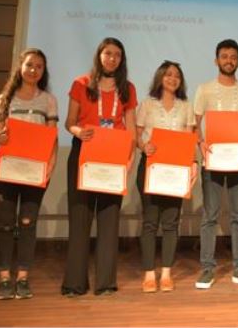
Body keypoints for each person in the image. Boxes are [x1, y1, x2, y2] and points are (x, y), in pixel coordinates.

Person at [61, 37, 137, 296]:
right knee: (80, 219)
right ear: (99, 55)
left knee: (109, 221)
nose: (112, 58)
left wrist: (129, 159)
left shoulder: (127, 88)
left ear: (121, 59)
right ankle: (74, 283)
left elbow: (131, 128)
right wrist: (78, 131)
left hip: (114, 156)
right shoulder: (81, 83)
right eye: (108, 53)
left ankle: (105, 283)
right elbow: (69, 121)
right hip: (84, 152)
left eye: (117, 54)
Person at [0, 48, 58, 300]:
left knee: (28, 223)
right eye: (29, 65)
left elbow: (52, 137)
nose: (33, 70)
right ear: (20, 67)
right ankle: (5, 278)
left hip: (35, 171)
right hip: (7, 168)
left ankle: (23, 278)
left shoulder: (48, 100)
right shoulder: (5, 98)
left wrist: (50, 166)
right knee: (5, 224)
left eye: (39, 66)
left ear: (43, 71)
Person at [193, 39, 238, 289]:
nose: (229, 60)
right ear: (216, 60)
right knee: (210, 216)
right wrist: (201, 144)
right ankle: (207, 269)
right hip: (212, 160)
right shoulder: (204, 89)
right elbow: (195, 125)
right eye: (224, 56)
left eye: (233, 57)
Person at [135, 60, 198, 293]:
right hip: (151, 168)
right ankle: (149, 274)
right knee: (150, 222)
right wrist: (144, 146)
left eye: (177, 76)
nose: (173, 79)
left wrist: (193, 163)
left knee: (171, 223)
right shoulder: (147, 104)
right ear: (160, 77)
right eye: (168, 74)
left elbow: (190, 138)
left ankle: (166, 274)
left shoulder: (186, 106)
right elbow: (137, 135)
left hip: (176, 171)